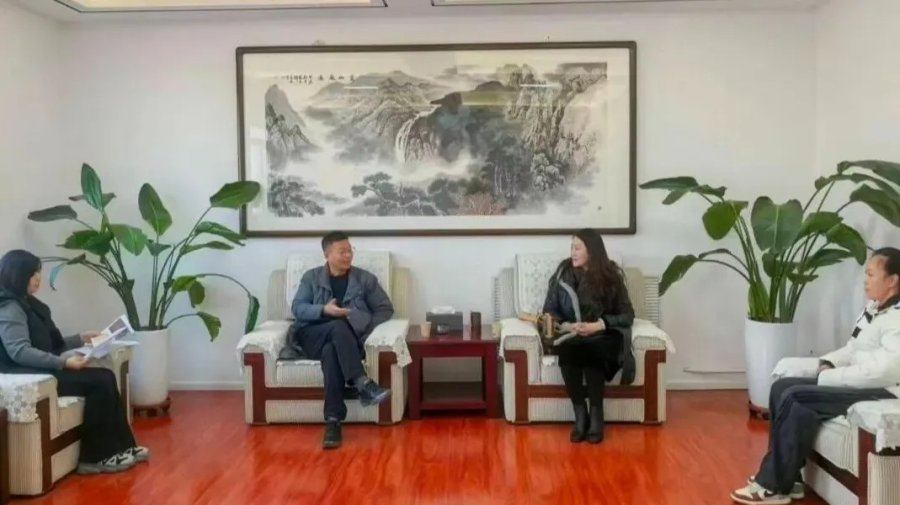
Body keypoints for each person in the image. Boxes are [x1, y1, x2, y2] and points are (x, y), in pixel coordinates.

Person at [731, 247, 900, 505]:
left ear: (892, 280)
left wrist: (832, 377)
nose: (865, 280)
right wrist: (828, 362)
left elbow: (886, 371)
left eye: (871, 274)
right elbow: (853, 348)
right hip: (859, 380)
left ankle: (773, 486)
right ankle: (791, 479)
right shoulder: (875, 309)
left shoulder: (896, 318)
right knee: (781, 388)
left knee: (796, 398)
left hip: (883, 389)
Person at [0, 250, 149, 474]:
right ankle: (95, 458)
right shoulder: (9, 308)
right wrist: (64, 363)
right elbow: (19, 351)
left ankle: (123, 447)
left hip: (42, 367)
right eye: (32, 273)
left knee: (105, 377)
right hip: (29, 373)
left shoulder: (28, 303)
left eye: (38, 272)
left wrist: (81, 338)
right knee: (100, 381)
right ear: (17, 275)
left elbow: (49, 344)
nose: (38, 278)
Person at [290, 231, 393, 449]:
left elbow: (385, 308)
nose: (348, 255)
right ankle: (363, 383)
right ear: (327, 254)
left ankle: (333, 423)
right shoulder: (311, 277)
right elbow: (298, 308)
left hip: (348, 341)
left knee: (331, 352)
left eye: (350, 250)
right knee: (336, 325)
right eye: (342, 251)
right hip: (312, 336)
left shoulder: (365, 279)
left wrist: (366, 327)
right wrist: (323, 310)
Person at [542, 228, 636, 444]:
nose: (572, 253)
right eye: (571, 248)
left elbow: (627, 314)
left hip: (603, 333)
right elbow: (549, 310)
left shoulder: (611, 275)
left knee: (593, 349)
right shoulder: (562, 273)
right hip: (572, 333)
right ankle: (580, 414)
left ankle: (596, 415)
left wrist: (599, 324)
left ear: (592, 251)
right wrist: (566, 325)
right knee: (569, 349)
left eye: (577, 248)